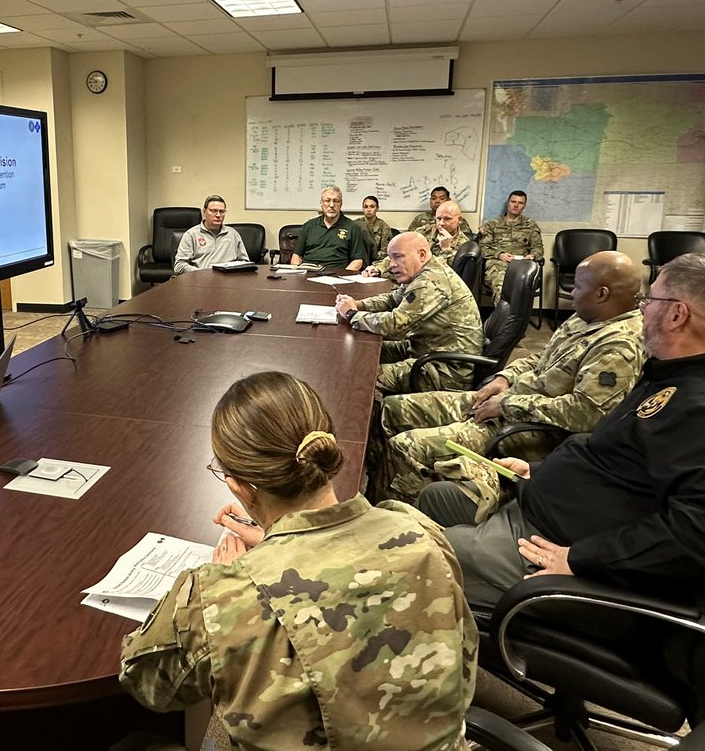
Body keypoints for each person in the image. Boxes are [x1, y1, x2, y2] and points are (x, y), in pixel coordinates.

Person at [120, 371, 476, 751]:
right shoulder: (420, 531)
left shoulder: (221, 597)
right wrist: (283, 545)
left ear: (239, 486)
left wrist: (220, 581)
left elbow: (147, 684)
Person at [417, 253, 705, 608]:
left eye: (649, 299)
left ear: (676, 314)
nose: (640, 309)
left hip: (555, 546)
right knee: (432, 500)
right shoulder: (676, 374)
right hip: (537, 504)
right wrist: (539, 471)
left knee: (408, 556)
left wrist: (580, 560)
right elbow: (617, 452)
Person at [374, 251, 644, 505]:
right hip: (510, 402)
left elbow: (585, 413)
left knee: (405, 447)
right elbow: (540, 358)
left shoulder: (618, 345)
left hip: (532, 431)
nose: (572, 292)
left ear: (602, 293)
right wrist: (504, 378)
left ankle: (397, 522)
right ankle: (375, 486)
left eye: (578, 286)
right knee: (390, 409)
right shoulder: (587, 318)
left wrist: (507, 405)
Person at [335, 232, 482, 396]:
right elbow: (393, 299)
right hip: (425, 348)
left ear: (421, 254)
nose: (392, 265)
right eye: (390, 258)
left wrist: (351, 314)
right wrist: (359, 304)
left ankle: (372, 419)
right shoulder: (423, 272)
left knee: (364, 376)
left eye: (398, 257)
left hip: (445, 369)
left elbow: (395, 325)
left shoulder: (430, 281)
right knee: (362, 349)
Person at [477, 190, 543, 298]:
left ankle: (517, 314)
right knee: (501, 285)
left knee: (522, 285)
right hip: (498, 263)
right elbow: (482, 248)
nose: (516, 205)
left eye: (520, 203)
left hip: (522, 263)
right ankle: (504, 314)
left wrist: (533, 256)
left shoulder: (530, 225)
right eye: (513, 201)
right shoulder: (492, 225)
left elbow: (538, 248)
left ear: (524, 205)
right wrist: (499, 254)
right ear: (508, 203)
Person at [291, 186, 368, 272]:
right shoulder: (309, 226)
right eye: (327, 200)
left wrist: (342, 276)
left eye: (336, 201)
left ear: (341, 204)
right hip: (309, 274)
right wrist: (298, 274)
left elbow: (357, 261)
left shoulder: (352, 228)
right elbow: (296, 256)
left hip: (337, 277)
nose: (331, 205)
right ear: (321, 203)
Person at [173, 194, 250, 274]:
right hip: (201, 280)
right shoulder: (191, 235)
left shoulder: (233, 234)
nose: (218, 215)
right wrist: (203, 273)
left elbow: (245, 262)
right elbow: (179, 266)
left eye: (222, 211)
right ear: (204, 211)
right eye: (213, 211)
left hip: (228, 280)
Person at [408, 186, 473, 235]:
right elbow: (409, 237)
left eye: (442, 198)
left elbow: (466, 240)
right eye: (434, 198)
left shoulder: (456, 219)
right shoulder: (420, 218)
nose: (437, 201)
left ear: (448, 200)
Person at [353, 194, 392, 262]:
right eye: (366, 207)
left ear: (377, 208)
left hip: (375, 262)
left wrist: (372, 259)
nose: (368, 209)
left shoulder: (384, 227)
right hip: (355, 260)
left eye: (372, 207)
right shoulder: (355, 225)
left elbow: (385, 252)